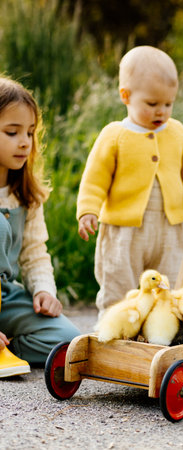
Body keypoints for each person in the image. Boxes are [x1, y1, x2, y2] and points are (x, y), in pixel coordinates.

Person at [77, 45, 183, 319]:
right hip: (124, 230)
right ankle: (115, 326)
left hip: (170, 227)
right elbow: (95, 179)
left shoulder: (177, 132)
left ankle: (165, 327)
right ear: (126, 95)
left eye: (168, 104)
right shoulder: (114, 135)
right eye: (152, 104)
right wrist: (88, 209)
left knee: (173, 280)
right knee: (118, 281)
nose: (161, 111)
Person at [0, 76, 80, 377]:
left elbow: (34, 253)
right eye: (12, 132)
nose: (24, 141)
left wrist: (44, 291)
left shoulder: (26, 196)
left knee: (69, 343)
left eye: (30, 133)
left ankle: (9, 348)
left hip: (6, 298)